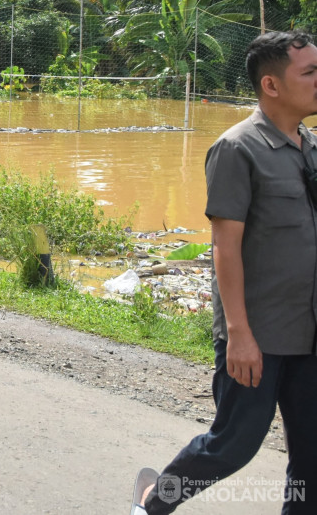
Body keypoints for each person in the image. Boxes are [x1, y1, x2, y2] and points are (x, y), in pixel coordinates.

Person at [133, 30, 317, 515]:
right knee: (232, 444)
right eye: (310, 72)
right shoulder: (238, 149)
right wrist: (238, 333)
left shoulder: (310, 148)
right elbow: (224, 247)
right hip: (257, 332)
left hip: (309, 331)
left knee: (314, 457)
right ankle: (154, 502)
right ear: (272, 86)